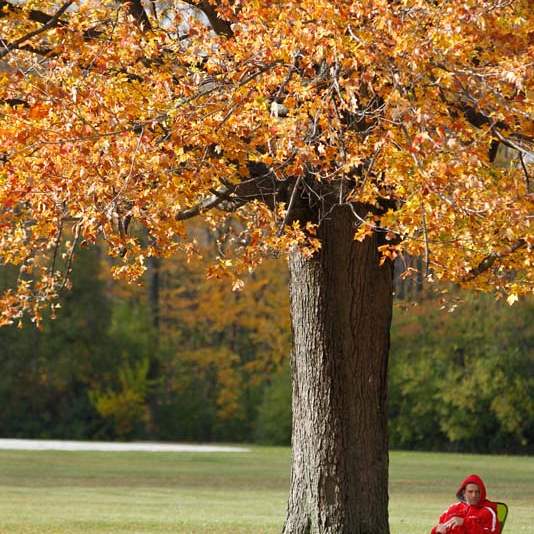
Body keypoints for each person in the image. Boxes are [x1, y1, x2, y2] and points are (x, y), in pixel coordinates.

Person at [430, 474, 500, 534]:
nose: (474, 495)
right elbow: (439, 528)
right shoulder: (453, 509)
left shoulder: (487, 512)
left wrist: (465, 523)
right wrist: (436, 531)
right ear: (464, 492)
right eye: (470, 491)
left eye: (477, 492)